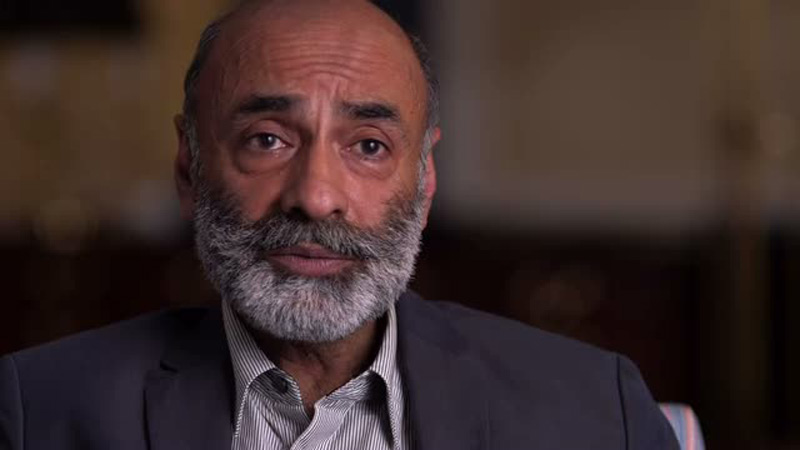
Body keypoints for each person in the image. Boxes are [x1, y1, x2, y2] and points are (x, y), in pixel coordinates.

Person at [0, 1, 679, 449]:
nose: (317, 197)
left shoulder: (596, 411)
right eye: (268, 140)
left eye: (369, 146)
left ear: (425, 180)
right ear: (190, 168)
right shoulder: (40, 409)